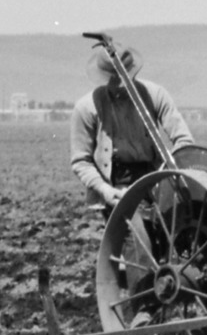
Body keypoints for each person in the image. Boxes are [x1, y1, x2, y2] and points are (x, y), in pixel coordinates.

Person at [69, 45, 194, 212]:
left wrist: (169, 177)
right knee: (129, 235)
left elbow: (184, 141)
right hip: (114, 183)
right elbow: (81, 161)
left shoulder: (155, 94)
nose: (121, 86)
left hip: (153, 176)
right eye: (113, 81)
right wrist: (105, 190)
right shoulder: (86, 108)